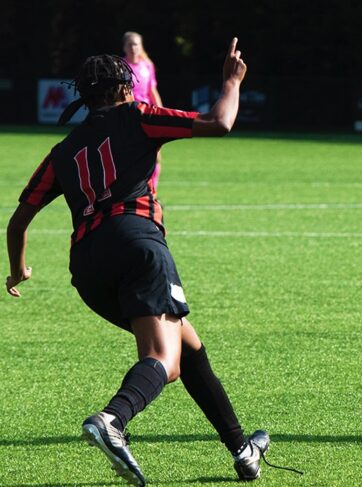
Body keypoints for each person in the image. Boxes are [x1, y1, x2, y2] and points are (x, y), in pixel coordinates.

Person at [6, 39, 269, 485]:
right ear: (125, 88)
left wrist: (18, 269)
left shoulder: (63, 149)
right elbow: (220, 122)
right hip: (136, 245)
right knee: (164, 359)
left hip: (87, 267)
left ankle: (242, 449)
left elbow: (18, 221)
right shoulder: (140, 116)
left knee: (188, 347)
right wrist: (231, 80)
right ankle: (112, 419)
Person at [122, 31, 165, 192]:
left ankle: (152, 192)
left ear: (141, 47)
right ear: (125, 47)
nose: (134, 47)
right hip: (130, 115)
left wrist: (161, 112)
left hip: (147, 115)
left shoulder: (147, 65)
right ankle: (132, 191)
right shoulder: (122, 66)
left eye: (136, 44)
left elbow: (152, 90)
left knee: (155, 156)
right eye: (130, 44)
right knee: (132, 156)